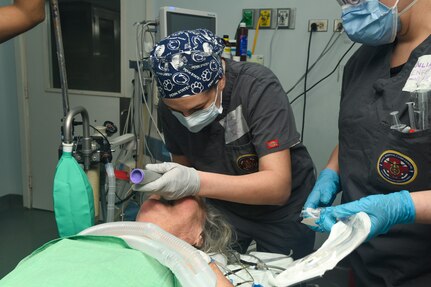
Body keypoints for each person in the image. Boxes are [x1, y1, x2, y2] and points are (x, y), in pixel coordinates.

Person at [139, 28, 316, 259]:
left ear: (220, 81)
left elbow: (277, 187)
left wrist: (194, 181)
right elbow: (183, 170)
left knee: (281, 277)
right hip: (224, 207)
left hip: (282, 213)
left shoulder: (257, 87)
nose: (188, 118)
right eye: (178, 111)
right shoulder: (169, 108)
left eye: (197, 108)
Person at [303, 0, 431, 286]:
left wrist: (402, 206)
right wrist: (331, 172)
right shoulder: (362, 62)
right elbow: (362, 129)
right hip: (362, 260)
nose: (351, 7)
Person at [0, 196, 234, 287]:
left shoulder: (187, 264)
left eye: (189, 195)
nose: (169, 192)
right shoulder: (97, 238)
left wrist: (203, 261)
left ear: (197, 237)